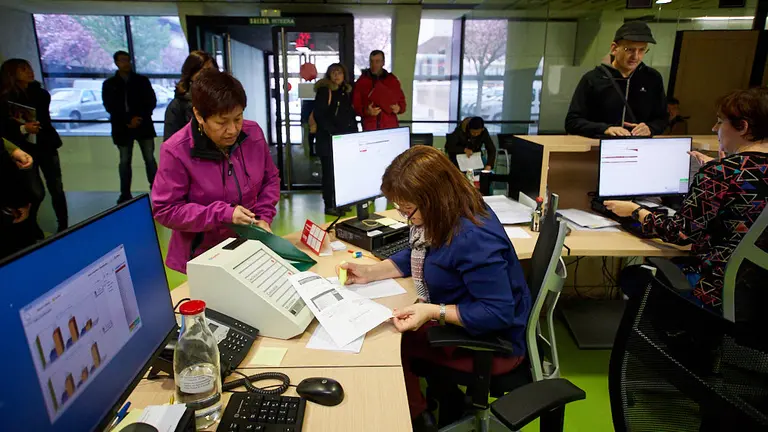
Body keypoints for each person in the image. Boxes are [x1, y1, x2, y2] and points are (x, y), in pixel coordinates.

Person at [336, 146, 531, 431]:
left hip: (494, 344)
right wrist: (370, 272)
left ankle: (417, 419)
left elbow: (497, 313)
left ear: (434, 199)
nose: (406, 218)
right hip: (469, 324)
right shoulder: (452, 211)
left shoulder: (472, 237)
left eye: (408, 210)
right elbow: (421, 252)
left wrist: (432, 311)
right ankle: (430, 402)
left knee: (388, 342)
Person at [605, 88, 768, 316]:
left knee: (632, 276)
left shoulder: (721, 173)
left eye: (720, 122)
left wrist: (635, 211)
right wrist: (719, 171)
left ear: (743, 127)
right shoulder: (724, 171)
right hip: (759, 295)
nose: (714, 129)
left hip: (717, 288)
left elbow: (681, 234)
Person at [151, 70, 280, 275]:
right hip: (203, 257)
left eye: (238, 118)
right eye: (222, 122)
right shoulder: (176, 151)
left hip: (249, 249)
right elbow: (166, 210)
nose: (232, 130)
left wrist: (263, 217)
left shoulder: (253, 133)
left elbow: (270, 179)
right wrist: (223, 213)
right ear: (199, 115)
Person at [565, 21, 668, 138]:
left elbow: (662, 119)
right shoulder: (593, 79)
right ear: (614, 48)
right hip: (598, 147)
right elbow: (572, 122)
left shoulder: (652, 78)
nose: (636, 56)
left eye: (642, 50)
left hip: (640, 149)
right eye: (629, 49)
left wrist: (650, 128)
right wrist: (605, 129)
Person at [2, 58, 67, 235]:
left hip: (46, 145)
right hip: (24, 148)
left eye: (29, 68)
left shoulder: (40, 93)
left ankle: (64, 224)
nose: (29, 72)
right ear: (12, 73)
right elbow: (6, 128)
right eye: (23, 69)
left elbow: (43, 118)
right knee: (36, 191)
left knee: (57, 187)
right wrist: (23, 128)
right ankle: (31, 224)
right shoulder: (5, 98)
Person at [102, 50, 158, 204]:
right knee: (125, 160)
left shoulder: (141, 81)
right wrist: (127, 120)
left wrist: (138, 117)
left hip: (143, 124)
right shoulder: (110, 84)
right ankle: (125, 193)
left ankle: (158, 191)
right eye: (122, 60)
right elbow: (110, 106)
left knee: (150, 159)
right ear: (116, 63)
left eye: (127, 60)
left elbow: (151, 101)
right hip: (122, 127)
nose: (126, 63)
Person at [313, 63, 357, 214]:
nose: (337, 75)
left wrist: (353, 134)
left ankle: (340, 202)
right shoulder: (325, 91)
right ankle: (330, 205)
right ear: (329, 75)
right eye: (333, 72)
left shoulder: (345, 92)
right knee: (329, 174)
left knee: (341, 172)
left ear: (344, 75)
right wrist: (333, 132)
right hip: (328, 140)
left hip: (343, 141)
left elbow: (349, 116)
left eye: (339, 72)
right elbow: (319, 115)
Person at [164, 50, 217, 141]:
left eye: (212, 71)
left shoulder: (221, 99)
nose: (208, 76)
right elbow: (170, 143)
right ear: (190, 74)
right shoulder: (177, 106)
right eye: (204, 71)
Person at [352, 50, 406, 131]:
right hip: (370, 127)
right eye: (371, 61)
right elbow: (355, 106)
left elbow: (402, 104)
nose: (374, 64)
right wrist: (367, 112)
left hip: (390, 127)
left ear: (383, 63)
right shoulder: (361, 82)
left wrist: (398, 109)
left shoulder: (392, 80)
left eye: (377, 61)